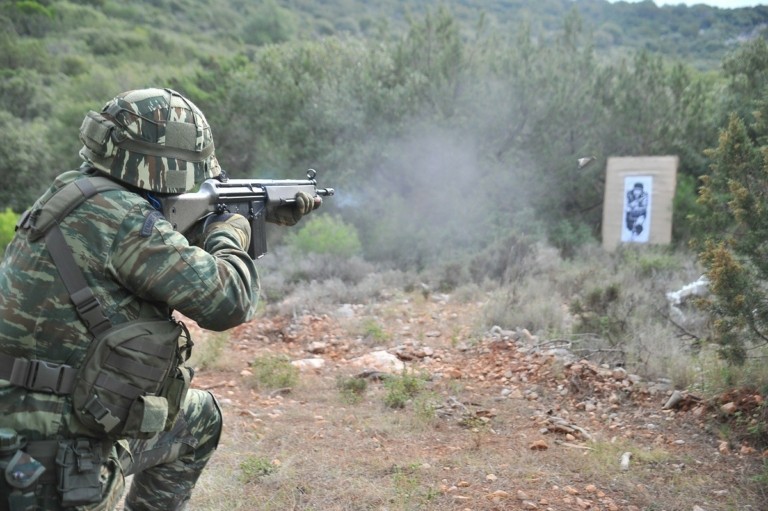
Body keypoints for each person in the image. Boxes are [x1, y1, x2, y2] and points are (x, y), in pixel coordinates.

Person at [0, 88, 319, 510]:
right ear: (168, 164)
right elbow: (230, 301)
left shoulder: (72, 193)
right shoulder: (127, 221)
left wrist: (237, 213)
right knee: (195, 423)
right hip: (59, 457)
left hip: (19, 420)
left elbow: (145, 251)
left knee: (196, 415)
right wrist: (230, 231)